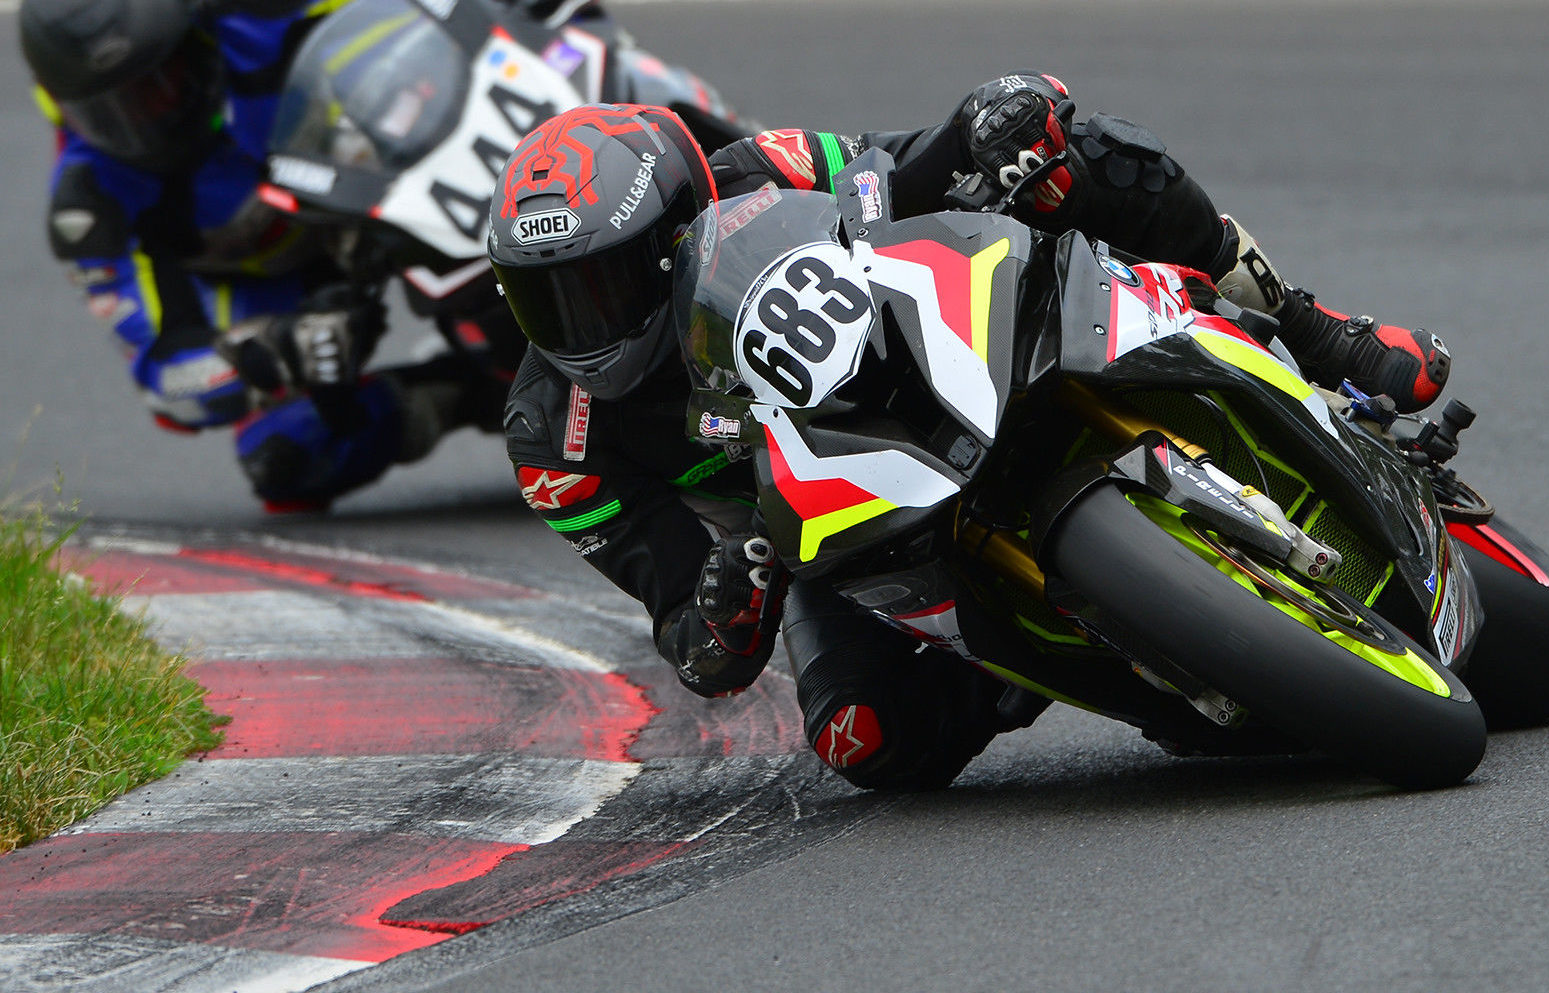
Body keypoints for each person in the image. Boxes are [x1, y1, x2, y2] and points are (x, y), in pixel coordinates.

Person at [487, 76, 1453, 790]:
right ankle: (1041, 658)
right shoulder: (554, 443)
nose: (585, 325)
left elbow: (894, 172)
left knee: (1085, 156)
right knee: (861, 738)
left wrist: (985, 122)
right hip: (821, 534)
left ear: (672, 237)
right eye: (547, 301)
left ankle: (1320, 335)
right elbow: (695, 648)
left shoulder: (755, 168)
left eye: (602, 285)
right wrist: (726, 600)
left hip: (923, 340)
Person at [22, 0, 504, 511]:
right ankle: (467, 390)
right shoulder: (90, 203)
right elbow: (166, 381)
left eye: (159, 83)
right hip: (281, 281)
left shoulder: (259, 20)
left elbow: (421, 17)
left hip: (378, 187)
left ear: (197, 38)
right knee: (286, 454)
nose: (143, 118)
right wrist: (273, 351)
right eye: (104, 111)